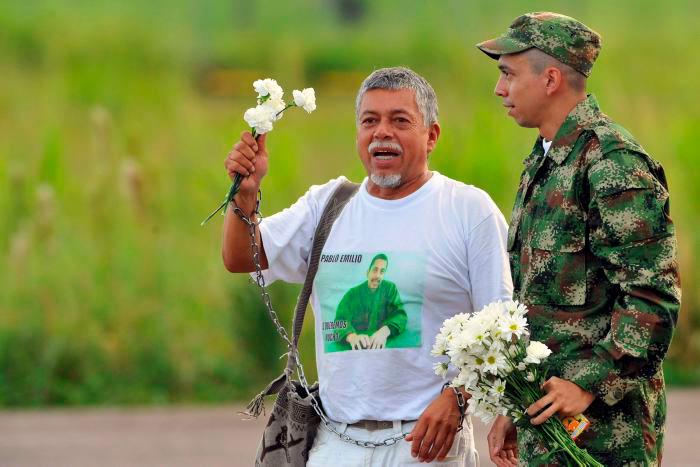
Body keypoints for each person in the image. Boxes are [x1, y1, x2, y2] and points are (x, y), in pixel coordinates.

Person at [222, 66, 513, 466]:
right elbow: (241, 258)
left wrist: (456, 398)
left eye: (400, 121)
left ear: (431, 136)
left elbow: (501, 325)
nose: (382, 132)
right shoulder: (327, 205)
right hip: (336, 441)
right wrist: (246, 194)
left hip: (427, 446)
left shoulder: (468, 211)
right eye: (370, 121)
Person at [476, 12, 681, 467]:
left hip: (609, 436)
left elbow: (653, 297)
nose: (499, 89)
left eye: (508, 74)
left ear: (550, 79)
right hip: (549, 425)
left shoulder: (612, 164)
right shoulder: (546, 161)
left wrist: (588, 382)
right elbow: (539, 303)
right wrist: (520, 403)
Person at [335, 253, 408, 350]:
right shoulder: (352, 294)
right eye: (375, 270)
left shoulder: (390, 289)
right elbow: (340, 321)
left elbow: (400, 315)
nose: (378, 275)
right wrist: (352, 337)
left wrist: (384, 331)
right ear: (367, 272)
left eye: (382, 271)